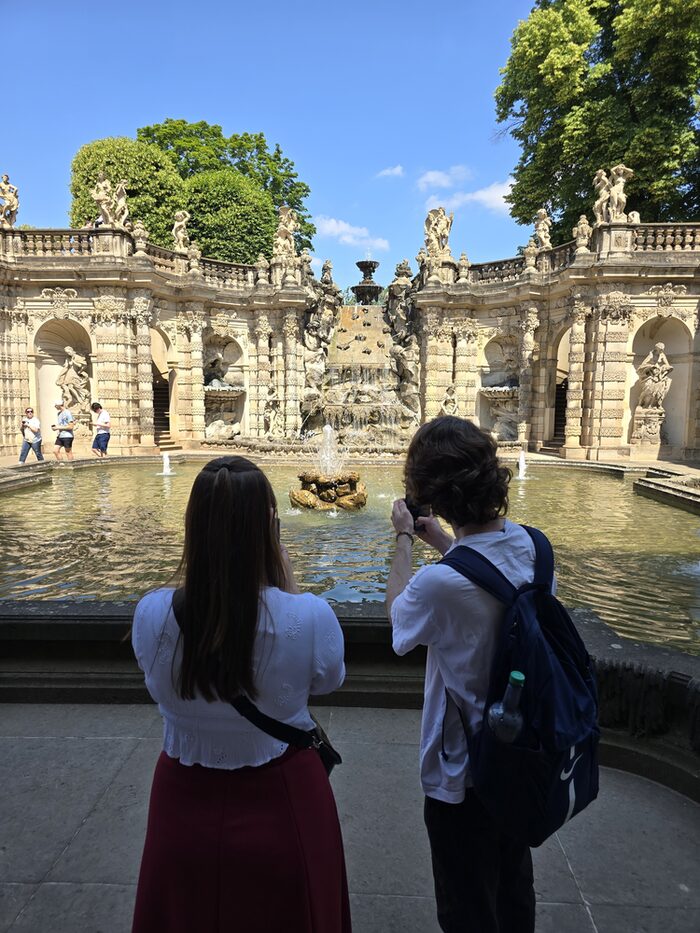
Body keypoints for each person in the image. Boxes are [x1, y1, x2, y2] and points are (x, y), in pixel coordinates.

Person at [131, 456, 351, 933]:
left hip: (181, 800)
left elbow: (153, 681)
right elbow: (328, 681)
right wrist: (288, 588)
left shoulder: (150, 613)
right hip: (286, 799)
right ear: (270, 525)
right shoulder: (310, 616)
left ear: (194, 524)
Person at [385, 416, 538, 933]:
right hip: (522, 751)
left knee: (466, 907)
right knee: (514, 890)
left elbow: (397, 624)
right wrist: (447, 543)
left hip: (463, 768)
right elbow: (493, 582)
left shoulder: (439, 585)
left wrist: (404, 539)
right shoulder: (535, 547)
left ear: (432, 493)